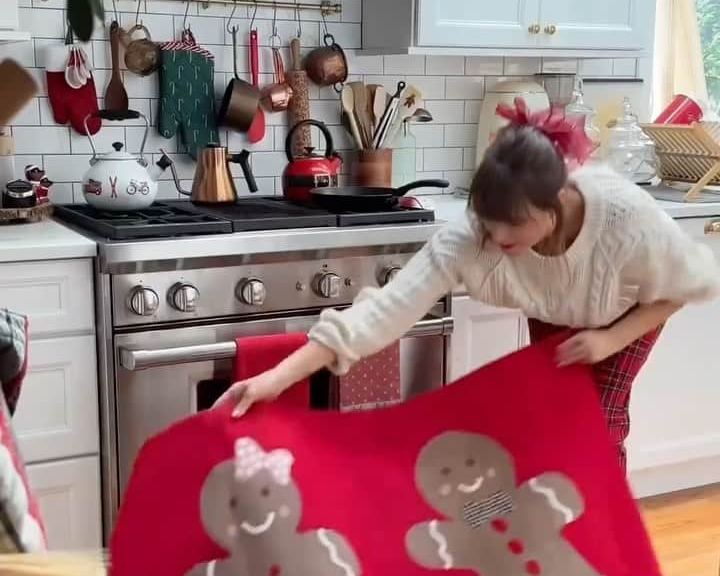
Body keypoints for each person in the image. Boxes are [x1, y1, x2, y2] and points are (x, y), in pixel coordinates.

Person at [217, 99, 720, 471]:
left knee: (597, 428)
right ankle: (541, 546)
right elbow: (377, 316)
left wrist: (611, 338)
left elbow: (688, 283)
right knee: (546, 424)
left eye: (513, 227)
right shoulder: (473, 237)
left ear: (557, 204)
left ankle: (608, 559)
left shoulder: (625, 219)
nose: (496, 239)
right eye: (488, 223)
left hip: (626, 310)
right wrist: (273, 380)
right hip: (561, 305)